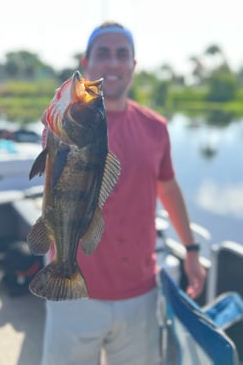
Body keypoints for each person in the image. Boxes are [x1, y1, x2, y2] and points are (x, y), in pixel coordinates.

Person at [40, 22, 207, 365]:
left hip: (140, 293)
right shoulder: (62, 127)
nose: (113, 63)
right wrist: (63, 109)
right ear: (86, 63)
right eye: (103, 53)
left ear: (133, 65)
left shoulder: (156, 127)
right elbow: (54, 170)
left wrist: (191, 248)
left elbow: (168, 186)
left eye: (122, 55)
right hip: (72, 290)